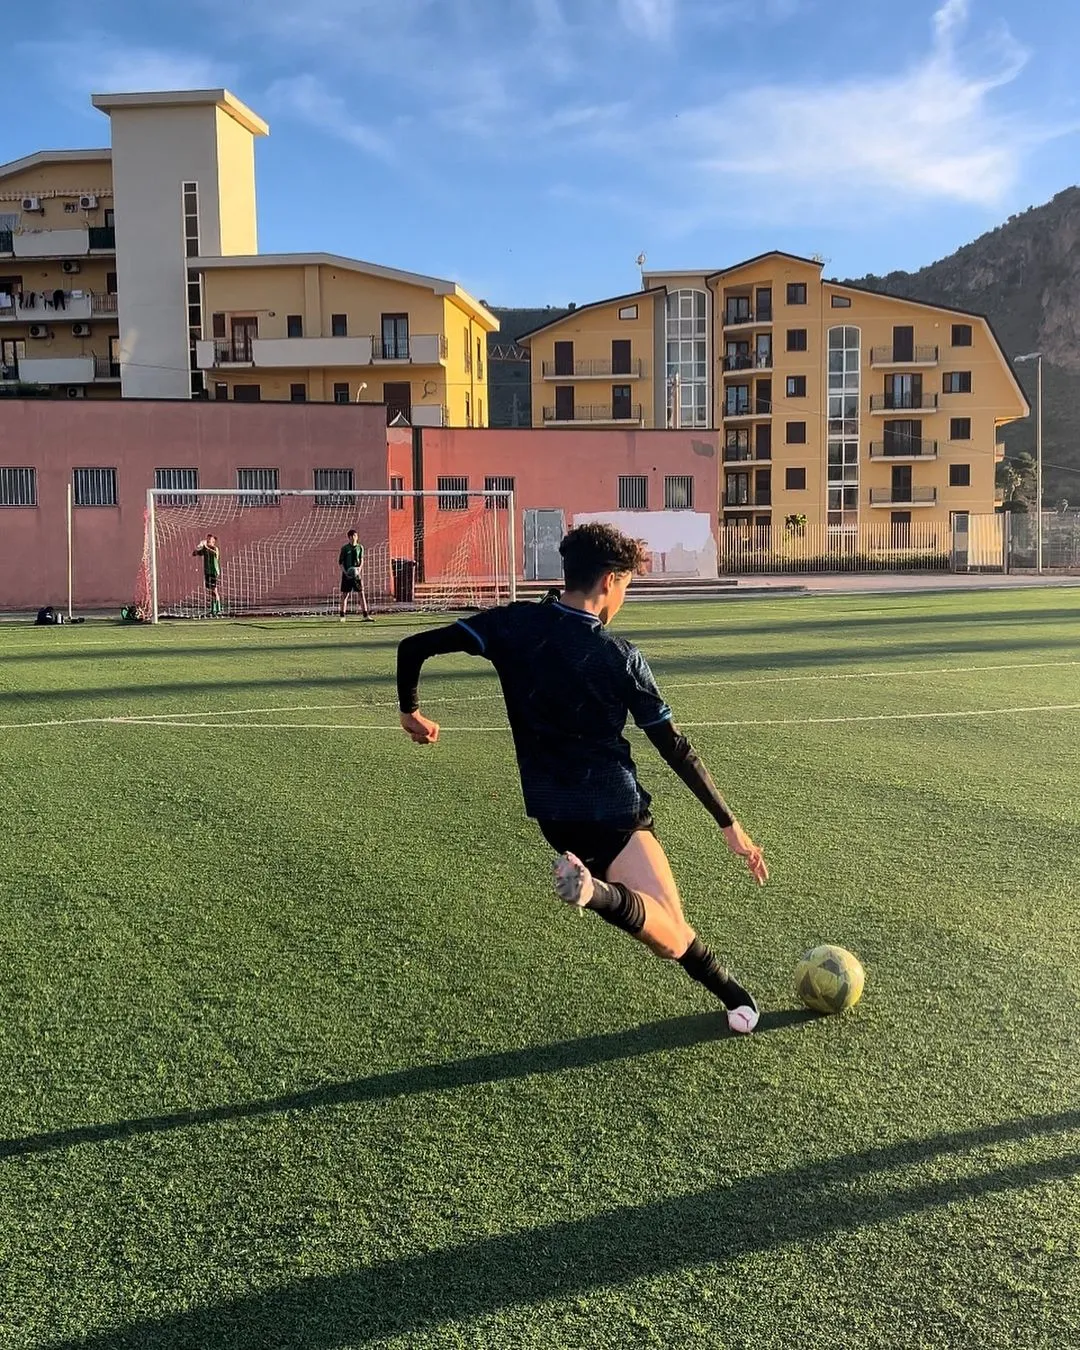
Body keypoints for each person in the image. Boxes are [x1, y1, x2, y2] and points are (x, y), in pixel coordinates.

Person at [396, 522, 769, 1033]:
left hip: (553, 815)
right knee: (671, 932)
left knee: (659, 928)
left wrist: (411, 713)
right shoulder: (619, 657)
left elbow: (412, 647)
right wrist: (729, 824)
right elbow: (674, 746)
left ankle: (730, 995)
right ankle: (597, 893)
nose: (624, 600)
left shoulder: (512, 625)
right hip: (614, 810)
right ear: (611, 580)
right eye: (628, 587)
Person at [339, 530, 374, 622]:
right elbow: (340, 563)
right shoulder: (345, 548)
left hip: (356, 575)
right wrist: (345, 572)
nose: (355, 537)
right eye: (353, 536)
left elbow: (361, 560)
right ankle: (342, 616)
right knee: (345, 595)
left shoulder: (360, 547)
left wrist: (359, 569)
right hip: (347, 575)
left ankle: (365, 615)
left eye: (356, 535)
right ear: (350, 537)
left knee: (361, 593)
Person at [193, 535, 222, 617]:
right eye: (207, 538)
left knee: (214, 590)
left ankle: (218, 609)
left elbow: (215, 554)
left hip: (213, 571)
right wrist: (198, 548)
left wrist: (205, 546)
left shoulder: (215, 549)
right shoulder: (205, 550)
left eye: (210, 539)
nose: (208, 540)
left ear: (213, 541)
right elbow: (194, 553)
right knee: (211, 591)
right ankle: (213, 610)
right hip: (207, 572)